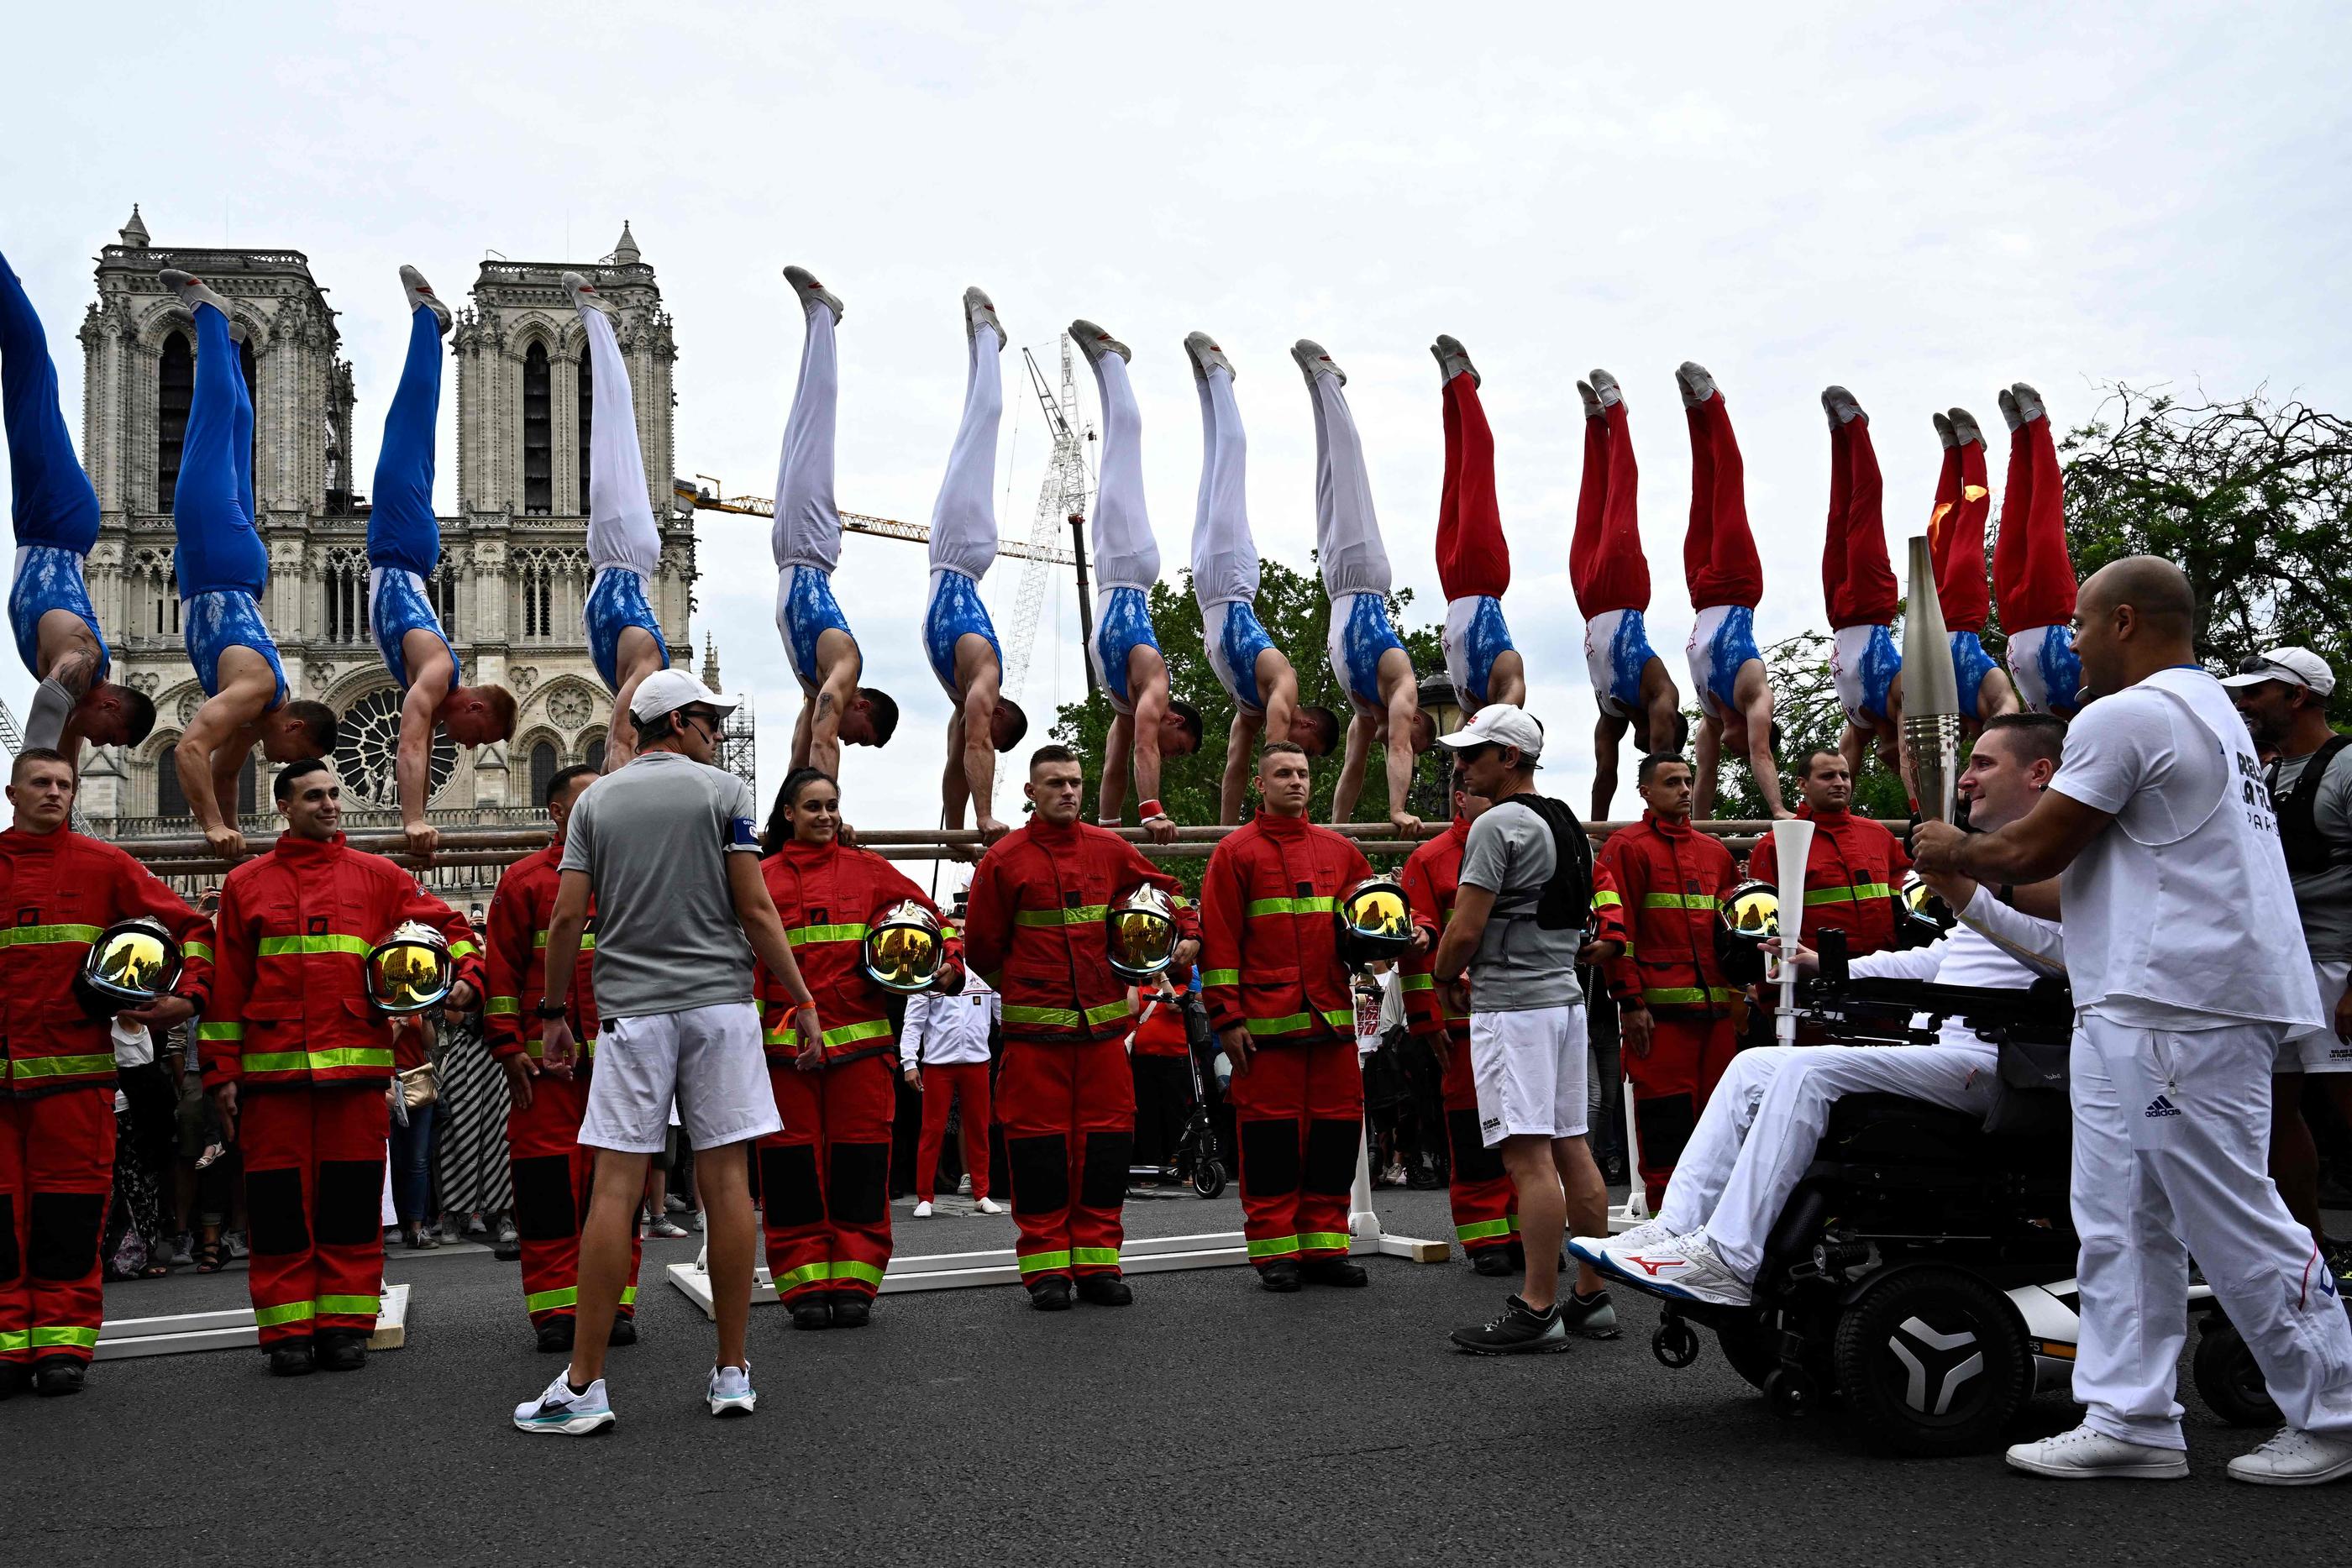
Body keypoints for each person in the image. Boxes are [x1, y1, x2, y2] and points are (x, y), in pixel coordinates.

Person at [1914, 556, 2352, 1486]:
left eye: (2076, 623)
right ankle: (2131, 1415)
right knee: (2116, 1216)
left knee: (2228, 1209)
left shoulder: (2131, 715)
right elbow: (2073, 886)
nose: (2066, 641)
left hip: (2178, 1003)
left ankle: (2335, 1408)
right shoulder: (2211, 720)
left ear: (2123, 622)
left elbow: (2032, 844)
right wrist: (1966, 878)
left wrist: (1958, 846)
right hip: (2137, 997)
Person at [1581, 713, 2069, 1303]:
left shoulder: (2066, 860)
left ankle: (1729, 1259)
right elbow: (1938, 962)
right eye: (1967, 764)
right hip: (1952, 1047)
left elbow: (2066, 959)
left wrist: (1966, 892)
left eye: (1983, 763)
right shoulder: (2005, 868)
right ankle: (1676, 1226)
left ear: (2039, 772)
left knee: (1810, 1070)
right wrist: (1823, 965)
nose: (1965, 779)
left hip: (2004, 1062)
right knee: (1756, 1064)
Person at [203, 757, 479, 1377]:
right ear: (283, 806)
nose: (330, 803)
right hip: (273, 1082)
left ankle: (345, 1327)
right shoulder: (248, 883)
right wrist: (219, 1071)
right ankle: (286, 1333)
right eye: (314, 796)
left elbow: (451, 926)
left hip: (356, 1078)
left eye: (333, 793)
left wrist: (469, 979)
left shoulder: (378, 877)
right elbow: (226, 991)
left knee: (351, 1207)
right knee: (278, 1210)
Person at [0, 749, 211, 1396]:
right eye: (42, 782)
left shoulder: (105, 863)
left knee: (68, 1218)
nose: (57, 792)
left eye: (65, 783)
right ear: (12, 791)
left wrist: (188, 996)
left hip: (76, 1083)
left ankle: (62, 1344)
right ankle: (9, 1345)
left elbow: (192, 926)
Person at [963, 745, 1197, 1310]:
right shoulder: (1005, 859)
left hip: (1101, 1040)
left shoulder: (1110, 848)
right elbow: (980, 947)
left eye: (1074, 781)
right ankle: (1045, 1270)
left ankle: (1098, 1264)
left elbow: (1170, 889)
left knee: (1105, 1152)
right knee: (1039, 1155)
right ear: (1030, 792)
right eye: (1055, 783)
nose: (1068, 791)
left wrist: (1188, 931)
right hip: (1034, 1041)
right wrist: (1024, 992)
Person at [1429, 706, 1620, 1351]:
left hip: (1514, 1006)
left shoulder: (1495, 824)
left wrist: (1441, 973)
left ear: (1509, 756)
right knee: (1573, 1146)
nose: (1461, 763)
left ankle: (1538, 1306)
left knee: (1527, 1157)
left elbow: (1465, 928)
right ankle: (1591, 1296)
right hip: (1565, 1001)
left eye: (1473, 752)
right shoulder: (1566, 820)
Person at [753, 766, 960, 1330]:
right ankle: (802, 1286)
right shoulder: (759, 877)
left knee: (860, 1166)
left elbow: (933, 924)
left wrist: (947, 968)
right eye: (813, 806)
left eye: (831, 805)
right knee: (792, 1172)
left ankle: (855, 1281)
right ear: (789, 813)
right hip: (783, 1055)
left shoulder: (869, 871)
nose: (824, 815)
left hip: (863, 1052)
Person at [156, 270, 339, 859]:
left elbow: (227, 774)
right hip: (217, 565)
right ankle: (209, 319)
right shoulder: (259, 688)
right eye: (289, 755)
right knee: (208, 435)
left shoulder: (253, 714)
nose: (280, 763)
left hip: (229, 567)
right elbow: (187, 749)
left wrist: (231, 855)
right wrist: (211, 827)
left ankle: (232, 345)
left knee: (231, 442)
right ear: (293, 727)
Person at [1200, 743, 1383, 1291]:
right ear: (1260, 784)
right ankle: (1275, 1251)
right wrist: (1226, 1018)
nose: (1296, 781)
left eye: (1303, 773)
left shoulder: (1340, 851)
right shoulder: (1234, 853)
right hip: (1263, 1031)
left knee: (1333, 1139)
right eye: (1283, 773)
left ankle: (1325, 1247)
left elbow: (1375, 913)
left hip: (1330, 1026)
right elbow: (1221, 943)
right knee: (1271, 1145)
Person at [483, 763, 643, 1351]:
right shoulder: (524, 881)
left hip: (621, 1067)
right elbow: (500, 970)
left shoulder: (632, 873)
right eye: (588, 800)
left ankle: (616, 1302)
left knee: (617, 1192)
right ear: (557, 812)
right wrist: (505, 1047)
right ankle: (555, 1309)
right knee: (548, 1190)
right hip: (544, 1073)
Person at [369, 266, 517, 858]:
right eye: (475, 736)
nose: (466, 743)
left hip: (400, 550)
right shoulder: (435, 672)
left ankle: (219, 335)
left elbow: (419, 744)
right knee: (407, 428)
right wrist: (413, 820)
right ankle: (429, 324)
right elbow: (410, 744)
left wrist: (420, 815)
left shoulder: (433, 680)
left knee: (408, 435)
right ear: (476, 705)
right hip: (401, 548)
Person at [2225, 647, 2352, 1272]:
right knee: (2274, 1116)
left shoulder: (2348, 768)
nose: (2243, 702)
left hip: (2337, 965)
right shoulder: (2264, 775)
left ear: (2297, 696)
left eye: (2256, 692)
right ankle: (2312, 1254)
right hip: (2278, 971)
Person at [2, 250, 155, 763]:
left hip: (43, 526)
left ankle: (11, 293)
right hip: (58, 523)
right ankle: (7, 284)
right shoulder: (84, 661)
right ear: (110, 705)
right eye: (105, 736)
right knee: (30, 385)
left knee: (30, 392)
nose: (95, 741)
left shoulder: (78, 690)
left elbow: (62, 739)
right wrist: (31, 780)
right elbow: (49, 705)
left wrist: (54, 823)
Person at [1184, 331, 1337, 825]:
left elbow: (1234, 768)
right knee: (1230, 459)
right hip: (1231, 582)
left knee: (1209, 470)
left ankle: (1208, 387)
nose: (1300, 761)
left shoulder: (1250, 708)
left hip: (1207, 590)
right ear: (1309, 723)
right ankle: (1222, 380)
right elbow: (1274, 758)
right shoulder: (1282, 689)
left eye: (1305, 762)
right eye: (1309, 752)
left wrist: (1226, 836)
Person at [1070, 320, 1200, 840]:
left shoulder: (1127, 706)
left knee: (1114, 460)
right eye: (1181, 748)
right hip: (1128, 566)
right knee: (1123, 448)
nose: (1173, 755)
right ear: (1175, 721)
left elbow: (1114, 762)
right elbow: (1146, 748)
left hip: (1111, 570)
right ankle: (1112, 363)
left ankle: (1107, 367)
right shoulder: (1156, 683)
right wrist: (1152, 810)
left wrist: (1103, 828)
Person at [1594, 752, 1742, 1205]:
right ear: (1645, 791)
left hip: (1716, 1015)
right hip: (1659, 1017)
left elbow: (1733, 937)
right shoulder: (1627, 847)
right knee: (1665, 1120)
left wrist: (1739, 996)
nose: (1683, 790)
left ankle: (1716, 1221)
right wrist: (1631, 1004)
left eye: (1687, 781)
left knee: (1722, 1121)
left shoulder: (1715, 853)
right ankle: (1665, 1218)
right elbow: (1621, 933)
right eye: (1672, 782)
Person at [1295, 339, 1428, 836]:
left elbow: (1352, 771)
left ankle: (1315, 387)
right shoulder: (1402, 688)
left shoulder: (1360, 715)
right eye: (1411, 741)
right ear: (1414, 722)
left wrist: (1335, 829)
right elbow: (1397, 747)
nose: (1395, 741)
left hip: (1335, 584)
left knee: (1327, 478)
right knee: (1350, 472)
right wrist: (1397, 810)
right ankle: (1329, 379)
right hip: (1365, 577)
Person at [771, 265, 898, 779]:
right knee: (815, 422)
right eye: (860, 738)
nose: (848, 739)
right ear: (862, 705)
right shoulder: (846, 666)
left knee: (797, 424)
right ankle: (824, 314)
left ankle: (816, 321)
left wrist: (785, 810)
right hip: (809, 546)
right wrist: (828, 806)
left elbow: (803, 742)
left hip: (790, 550)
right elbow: (824, 736)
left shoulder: (815, 684)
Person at [1400, 767, 1520, 1274]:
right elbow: (1412, 953)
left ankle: (1523, 1229)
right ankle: (1485, 1235)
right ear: (1459, 798)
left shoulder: (1525, 840)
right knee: (1475, 1130)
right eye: (1483, 793)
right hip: (1462, 1026)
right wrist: (1427, 1021)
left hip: (1521, 1013)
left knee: (1526, 1129)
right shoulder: (1429, 859)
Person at [923, 288, 1028, 845]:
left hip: (948, 558)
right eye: (991, 721)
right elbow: (978, 747)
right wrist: (987, 817)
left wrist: (958, 829)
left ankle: (980, 342)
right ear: (1001, 711)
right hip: (964, 553)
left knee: (971, 424)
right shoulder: (987, 676)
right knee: (984, 421)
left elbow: (955, 764)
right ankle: (989, 338)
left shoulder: (960, 704)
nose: (982, 724)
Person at [565, 272, 674, 769]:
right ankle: (598, 321)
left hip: (605, 558)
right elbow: (620, 738)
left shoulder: (636, 671)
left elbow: (619, 741)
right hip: (628, 549)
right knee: (614, 428)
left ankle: (595, 321)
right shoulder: (651, 664)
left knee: (609, 441)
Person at [1573, 369, 1683, 820]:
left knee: (1590, 501)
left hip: (1588, 600)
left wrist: (1596, 833)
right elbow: (1661, 760)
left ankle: (1593, 424)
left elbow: (1605, 777)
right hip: (1623, 591)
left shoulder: (1611, 713)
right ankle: (1617, 411)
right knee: (1621, 496)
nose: (1648, 742)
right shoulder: (1660, 694)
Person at [1677, 361, 1786, 820]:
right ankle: (1714, 405)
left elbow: (1703, 778)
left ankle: (1692, 414)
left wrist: (1697, 833)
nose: (1738, 752)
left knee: (1702, 490)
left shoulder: (1709, 716)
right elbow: (1762, 756)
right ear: (1758, 732)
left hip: (1701, 592)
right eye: (1742, 749)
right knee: (1729, 487)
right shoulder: (1755, 698)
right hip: (1738, 585)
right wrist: (1778, 809)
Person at [1431, 336, 1525, 716]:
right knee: (1477, 466)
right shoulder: (1506, 683)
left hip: (1451, 586)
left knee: (1454, 471)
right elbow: (1510, 711)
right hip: (1483, 575)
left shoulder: (1465, 704)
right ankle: (1465, 382)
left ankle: (1450, 390)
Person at [1745, 751, 1910, 958]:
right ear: (1802, 784)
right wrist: (1771, 987)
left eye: (1845, 775)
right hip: (1814, 975)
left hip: (1883, 968)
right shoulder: (1776, 844)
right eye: (1827, 776)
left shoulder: (1879, 836)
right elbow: (1764, 926)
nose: (1840, 782)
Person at [1819, 386, 1904, 779]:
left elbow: (1842, 772)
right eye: (1898, 759)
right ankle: (1857, 426)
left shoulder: (1857, 727)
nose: (1889, 761)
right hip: (1871, 606)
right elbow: (1910, 750)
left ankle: (1838, 435)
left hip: (1837, 613)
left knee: (1838, 514)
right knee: (1865, 506)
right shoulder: (1900, 703)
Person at [1926, 407, 2021, 728]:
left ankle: (1952, 452)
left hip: (1932, 617)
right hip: (1964, 613)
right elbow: (2010, 718)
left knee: (1939, 523)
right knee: (1967, 524)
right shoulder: (1985, 689)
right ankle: (1972, 449)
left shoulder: (1939, 706)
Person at [1992, 382, 2083, 717]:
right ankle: (2036, 426)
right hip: (2050, 609)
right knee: (2043, 512)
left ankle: (2018, 435)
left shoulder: (2047, 742)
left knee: (2013, 515)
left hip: (2013, 618)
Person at [903, 960, 1000, 1216]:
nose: (960, 936)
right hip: (938, 1064)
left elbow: (1004, 1014)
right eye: (954, 932)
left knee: (978, 1130)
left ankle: (982, 1193)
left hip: (977, 1064)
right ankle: (925, 1197)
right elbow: (913, 1021)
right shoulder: (930, 976)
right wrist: (909, 1063)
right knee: (931, 1130)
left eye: (963, 931)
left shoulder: (985, 973)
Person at [1126, 970, 1194, 1177]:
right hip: (1145, 1061)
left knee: (1177, 1114)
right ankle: (1150, 1164)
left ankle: (1183, 1164)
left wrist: (1163, 976)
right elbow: (1132, 1009)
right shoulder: (1142, 988)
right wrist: (1135, 976)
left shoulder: (1181, 989)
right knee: (1148, 1114)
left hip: (1175, 1061)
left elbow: (1174, 1005)